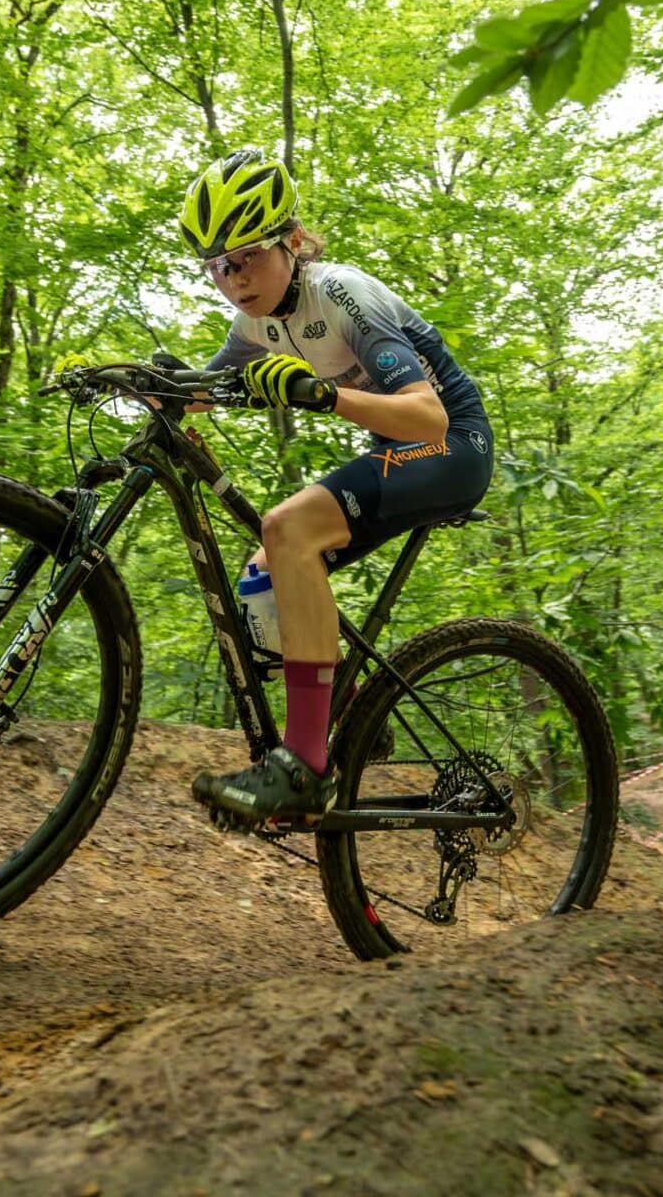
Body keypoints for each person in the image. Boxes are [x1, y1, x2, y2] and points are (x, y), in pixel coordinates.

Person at [175, 149, 494, 826]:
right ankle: (353, 721)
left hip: (452, 444)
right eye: (218, 267)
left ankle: (305, 768)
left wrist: (321, 395)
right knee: (264, 578)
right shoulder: (254, 322)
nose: (234, 279)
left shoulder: (342, 293)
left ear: (292, 241)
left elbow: (427, 416)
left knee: (287, 527)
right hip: (400, 451)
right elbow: (200, 391)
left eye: (247, 257)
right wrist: (129, 382)